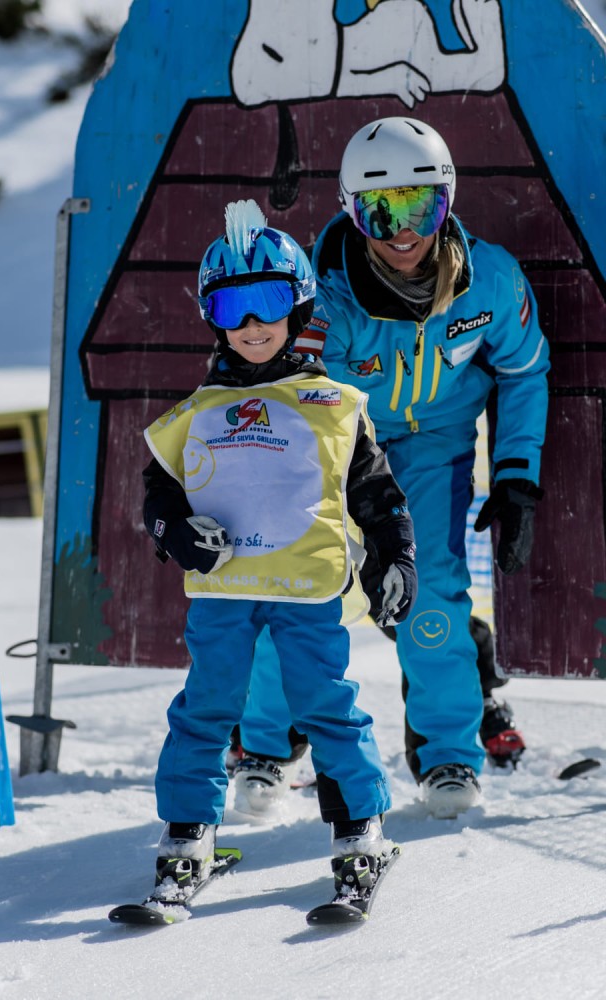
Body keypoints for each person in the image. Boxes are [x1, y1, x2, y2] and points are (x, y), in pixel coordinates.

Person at [231, 117, 549, 821]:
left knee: (432, 585)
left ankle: (448, 755)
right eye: (380, 211)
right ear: (351, 209)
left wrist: (518, 472)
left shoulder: (489, 281)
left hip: (437, 441)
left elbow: (526, 371)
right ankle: (262, 744)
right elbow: (300, 397)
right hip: (340, 444)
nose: (401, 231)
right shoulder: (324, 300)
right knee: (303, 576)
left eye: (420, 208)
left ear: (448, 202)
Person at [140, 199, 416, 903]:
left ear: (297, 307)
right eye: (234, 309)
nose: (253, 325)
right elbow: (158, 497)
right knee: (205, 708)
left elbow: (378, 496)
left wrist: (395, 558)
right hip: (223, 593)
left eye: (267, 303)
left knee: (326, 706)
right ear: (214, 317)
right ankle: (185, 836)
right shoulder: (196, 412)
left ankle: (360, 831)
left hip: (307, 589)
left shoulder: (334, 404)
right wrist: (175, 532)